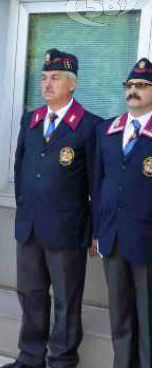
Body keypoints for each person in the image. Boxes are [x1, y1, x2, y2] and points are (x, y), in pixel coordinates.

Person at [4, 49, 102, 368]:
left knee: (65, 299)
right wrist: (23, 211)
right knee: (30, 294)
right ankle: (30, 356)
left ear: (71, 83)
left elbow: (96, 185)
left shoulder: (89, 126)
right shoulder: (31, 121)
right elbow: (20, 169)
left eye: (55, 78)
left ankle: (62, 359)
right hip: (30, 226)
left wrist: (94, 230)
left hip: (67, 229)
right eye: (44, 78)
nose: (47, 84)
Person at [92, 57, 152, 368]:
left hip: (146, 239)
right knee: (120, 313)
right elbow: (97, 183)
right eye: (129, 85)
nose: (134, 91)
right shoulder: (107, 130)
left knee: (147, 315)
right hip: (112, 236)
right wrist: (95, 232)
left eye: (142, 86)